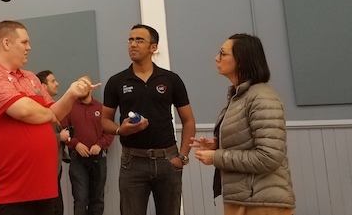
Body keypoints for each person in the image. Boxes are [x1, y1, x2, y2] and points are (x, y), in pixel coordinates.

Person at [0, 20, 100, 215]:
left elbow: (55, 113)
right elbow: (25, 111)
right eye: (24, 42)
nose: (29, 48)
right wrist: (48, 114)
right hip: (9, 193)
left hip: (43, 189)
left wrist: (71, 94)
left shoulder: (30, 77)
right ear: (6, 43)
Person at [189, 33, 295, 215]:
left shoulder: (262, 98)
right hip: (244, 199)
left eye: (223, 53)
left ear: (241, 60)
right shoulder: (240, 97)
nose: (216, 58)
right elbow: (249, 141)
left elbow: (269, 157)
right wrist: (219, 144)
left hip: (262, 204)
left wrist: (217, 157)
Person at [101, 24, 196, 215]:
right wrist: (121, 130)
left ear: (153, 47)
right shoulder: (116, 82)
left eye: (139, 40)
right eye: (130, 40)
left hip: (168, 160)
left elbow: (188, 121)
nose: (133, 44)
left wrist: (182, 157)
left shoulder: (171, 79)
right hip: (132, 162)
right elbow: (104, 120)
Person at [62, 75, 114, 215]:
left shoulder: (101, 108)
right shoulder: (69, 107)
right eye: (79, 84)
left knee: (97, 200)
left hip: (98, 160)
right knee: (80, 199)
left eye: (85, 84)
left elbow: (110, 131)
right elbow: (63, 130)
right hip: (78, 160)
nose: (82, 87)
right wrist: (76, 144)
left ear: (91, 87)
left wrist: (99, 145)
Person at [37, 69, 71, 215]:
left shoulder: (53, 108)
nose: (57, 84)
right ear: (43, 87)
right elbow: (37, 138)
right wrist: (59, 137)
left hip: (55, 166)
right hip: (45, 169)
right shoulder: (36, 109)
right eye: (52, 81)